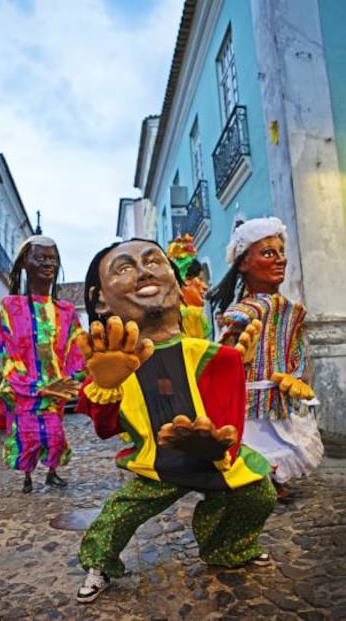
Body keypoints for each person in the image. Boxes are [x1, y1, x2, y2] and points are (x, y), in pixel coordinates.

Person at [74, 238, 276, 604]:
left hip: (213, 457)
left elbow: (228, 401)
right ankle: (98, 564)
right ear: (100, 298)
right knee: (119, 515)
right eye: (124, 267)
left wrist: (218, 443)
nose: (143, 270)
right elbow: (106, 429)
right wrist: (106, 388)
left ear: (176, 282)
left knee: (258, 492)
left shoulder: (206, 353)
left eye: (154, 260)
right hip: (158, 463)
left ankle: (225, 546)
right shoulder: (114, 361)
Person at [209, 217, 323, 498]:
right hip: (249, 398)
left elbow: (295, 347)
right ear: (244, 263)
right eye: (269, 253)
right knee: (255, 440)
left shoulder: (294, 310)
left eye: (281, 253)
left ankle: (275, 480)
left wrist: (295, 377)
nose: (280, 260)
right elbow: (222, 358)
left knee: (285, 438)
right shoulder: (240, 314)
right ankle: (258, 482)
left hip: (280, 394)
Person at [0, 234, 84, 494]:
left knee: (55, 436)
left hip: (55, 393)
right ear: (25, 263)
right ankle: (27, 477)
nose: (48, 263)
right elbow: (5, 352)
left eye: (52, 258)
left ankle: (53, 472)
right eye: (41, 257)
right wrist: (33, 386)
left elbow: (76, 350)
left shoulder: (66, 311)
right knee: (27, 437)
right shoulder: (10, 308)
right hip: (25, 394)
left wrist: (69, 380)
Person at [166, 233, 212, 339]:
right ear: (186, 281)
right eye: (200, 279)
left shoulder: (173, 315)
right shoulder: (190, 314)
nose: (205, 287)